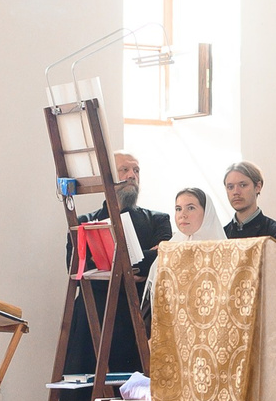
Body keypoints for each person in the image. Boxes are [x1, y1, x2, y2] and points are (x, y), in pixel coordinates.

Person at [63, 149, 171, 378]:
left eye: (136, 170)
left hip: (135, 318)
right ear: (107, 177)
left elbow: (161, 264)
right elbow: (78, 270)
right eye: (124, 170)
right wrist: (137, 264)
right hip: (93, 315)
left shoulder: (158, 220)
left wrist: (110, 265)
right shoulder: (84, 222)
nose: (132, 175)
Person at [143, 185, 212, 310]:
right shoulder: (170, 248)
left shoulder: (219, 248)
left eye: (190, 208)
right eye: (178, 209)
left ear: (206, 212)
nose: (183, 215)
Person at [221, 161, 276, 242]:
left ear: (258, 187)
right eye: (230, 187)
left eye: (242, 185)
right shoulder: (221, 235)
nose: (236, 192)